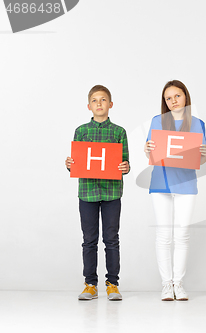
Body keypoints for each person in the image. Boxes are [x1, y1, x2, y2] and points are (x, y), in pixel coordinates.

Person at [144, 80, 206, 301]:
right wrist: (147, 149)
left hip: (186, 183)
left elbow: (201, 157)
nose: (173, 101)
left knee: (182, 235)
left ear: (185, 97)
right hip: (161, 182)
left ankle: (178, 284)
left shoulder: (197, 123)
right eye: (168, 98)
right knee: (163, 235)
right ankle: (166, 284)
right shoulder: (157, 121)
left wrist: (204, 152)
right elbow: (151, 152)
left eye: (177, 96)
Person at [65, 85, 130, 301]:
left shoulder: (119, 132)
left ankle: (112, 283)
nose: (99, 103)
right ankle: (90, 284)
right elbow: (77, 162)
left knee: (111, 239)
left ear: (110, 105)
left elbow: (125, 162)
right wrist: (69, 164)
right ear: (89, 106)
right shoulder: (81, 131)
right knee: (89, 240)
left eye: (103, 100)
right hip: (87, 193)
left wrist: (125, 167)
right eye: (95, 100)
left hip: (112, 193)